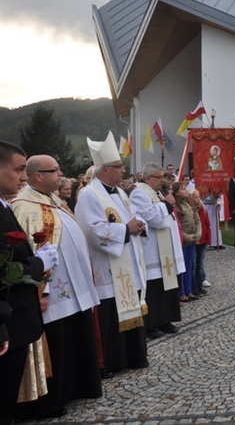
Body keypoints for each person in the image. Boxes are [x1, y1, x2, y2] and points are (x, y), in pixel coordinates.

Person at [12, 155, 102, 420]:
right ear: (38, 175)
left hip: (74, 287)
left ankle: (78, 386)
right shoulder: (24, 207)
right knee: (58, 340)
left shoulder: (55, 201)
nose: (61, 174)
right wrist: (41, 289)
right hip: (52, 292)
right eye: (55, 171)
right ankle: (51, 399)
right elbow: (30, 251)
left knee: (74, 335)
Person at [74, 132, 148, 380]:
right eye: (118, 167)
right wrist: (125, 230)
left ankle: (132, 356)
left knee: (129, 307)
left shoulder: (120, 192)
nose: (123, 171)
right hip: (107, 265)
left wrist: (140, 225)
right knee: (109, 314)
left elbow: (135, 215)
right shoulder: (89, 195)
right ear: (104, 170)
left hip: (127, 260)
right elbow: (91, 230)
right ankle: (112, 361)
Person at [0, 142, 59, 425]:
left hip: (18, 318)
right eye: (19, 169)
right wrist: (40, 263)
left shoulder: (5, 205)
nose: (23, 177)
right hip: (8, 319)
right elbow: (4, 269)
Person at [129, 162, 184, 340]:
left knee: (166, 286)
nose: (162, 180)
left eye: (162, 177)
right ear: (147, 178)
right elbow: (153, 218)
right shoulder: (139, 192)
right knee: (154, 289)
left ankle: (165, 320)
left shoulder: (157, 191)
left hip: (164, 248)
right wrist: (167, 205)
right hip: (152, 249)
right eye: (158, 177)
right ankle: (151, 324)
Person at [173, 182, 201, 302]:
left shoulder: (189, 203)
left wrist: (198, 233)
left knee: (189, 266)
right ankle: (181, 291)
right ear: (176, 192)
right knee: (182, 267)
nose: (185, 191)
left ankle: (189, 290)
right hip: (184, 240)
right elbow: (177, 225)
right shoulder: (176, 206)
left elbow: (197, 218)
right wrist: (187, 237)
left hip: (192, 239)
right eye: (182, 189)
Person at [189, 189, 210, 296]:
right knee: (192, 264)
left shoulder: (202, 208)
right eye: (196, 197)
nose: (198, 199)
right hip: (194, 239)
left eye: (198, 197)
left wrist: (208, 238)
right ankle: (193, 287)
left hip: (202, 239)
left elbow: (207, 223)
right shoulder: (190, 209)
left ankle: (199, 283)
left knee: (199, 264)